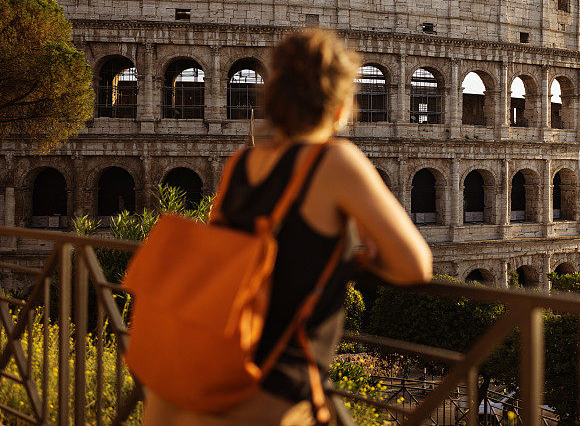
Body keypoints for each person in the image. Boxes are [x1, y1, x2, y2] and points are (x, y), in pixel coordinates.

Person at [142, 29, 433, 426]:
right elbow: (416, 265)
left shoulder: (240, 164)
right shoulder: (334, 162)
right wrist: (356, 256)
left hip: (199, 379)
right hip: (271, 392)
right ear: (340, 107)